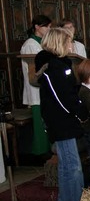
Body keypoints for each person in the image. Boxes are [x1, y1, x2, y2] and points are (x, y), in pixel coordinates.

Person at [35, 28, 87, 201]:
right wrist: (79, 112)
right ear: (59, 44)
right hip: (62, 121)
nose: (71, 45)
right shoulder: (54, 67)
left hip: (64, 119)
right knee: (73, 166)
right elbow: (63, 97)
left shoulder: (60, 64)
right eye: (68, 42)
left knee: (66, 164)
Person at [20, 14, 52, 156]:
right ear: (37, 27)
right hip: (36, 90)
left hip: (45, 88)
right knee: (40, 124)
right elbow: (32, 69)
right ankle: (41, 152)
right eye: (47, 26)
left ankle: (49, 151)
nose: (49, 29)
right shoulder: (30, 45)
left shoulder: (42, 43)